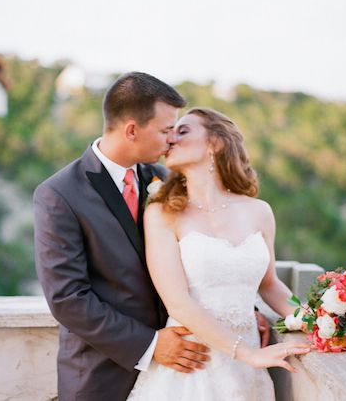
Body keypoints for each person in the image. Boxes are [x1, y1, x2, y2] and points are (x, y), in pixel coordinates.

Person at [33, 72, 272, 401]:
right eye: (164, 131)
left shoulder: (162, 178)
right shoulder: (60, 195)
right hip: (102, 374)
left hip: (191, 370)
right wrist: (151, 344)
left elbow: (205, 255)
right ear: (132, 130)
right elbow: (68, 298)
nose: (170, 140)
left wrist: (244, 306)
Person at [127, 108, 311, 400]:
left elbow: (270, 285)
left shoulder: (259, 211)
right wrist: (248, 353)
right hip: (191, 366)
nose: (170, 139)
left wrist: (317, 321)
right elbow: (177, 302)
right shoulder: (161, 212)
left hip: (247, 376)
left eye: (183, 131)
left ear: (216, 142)